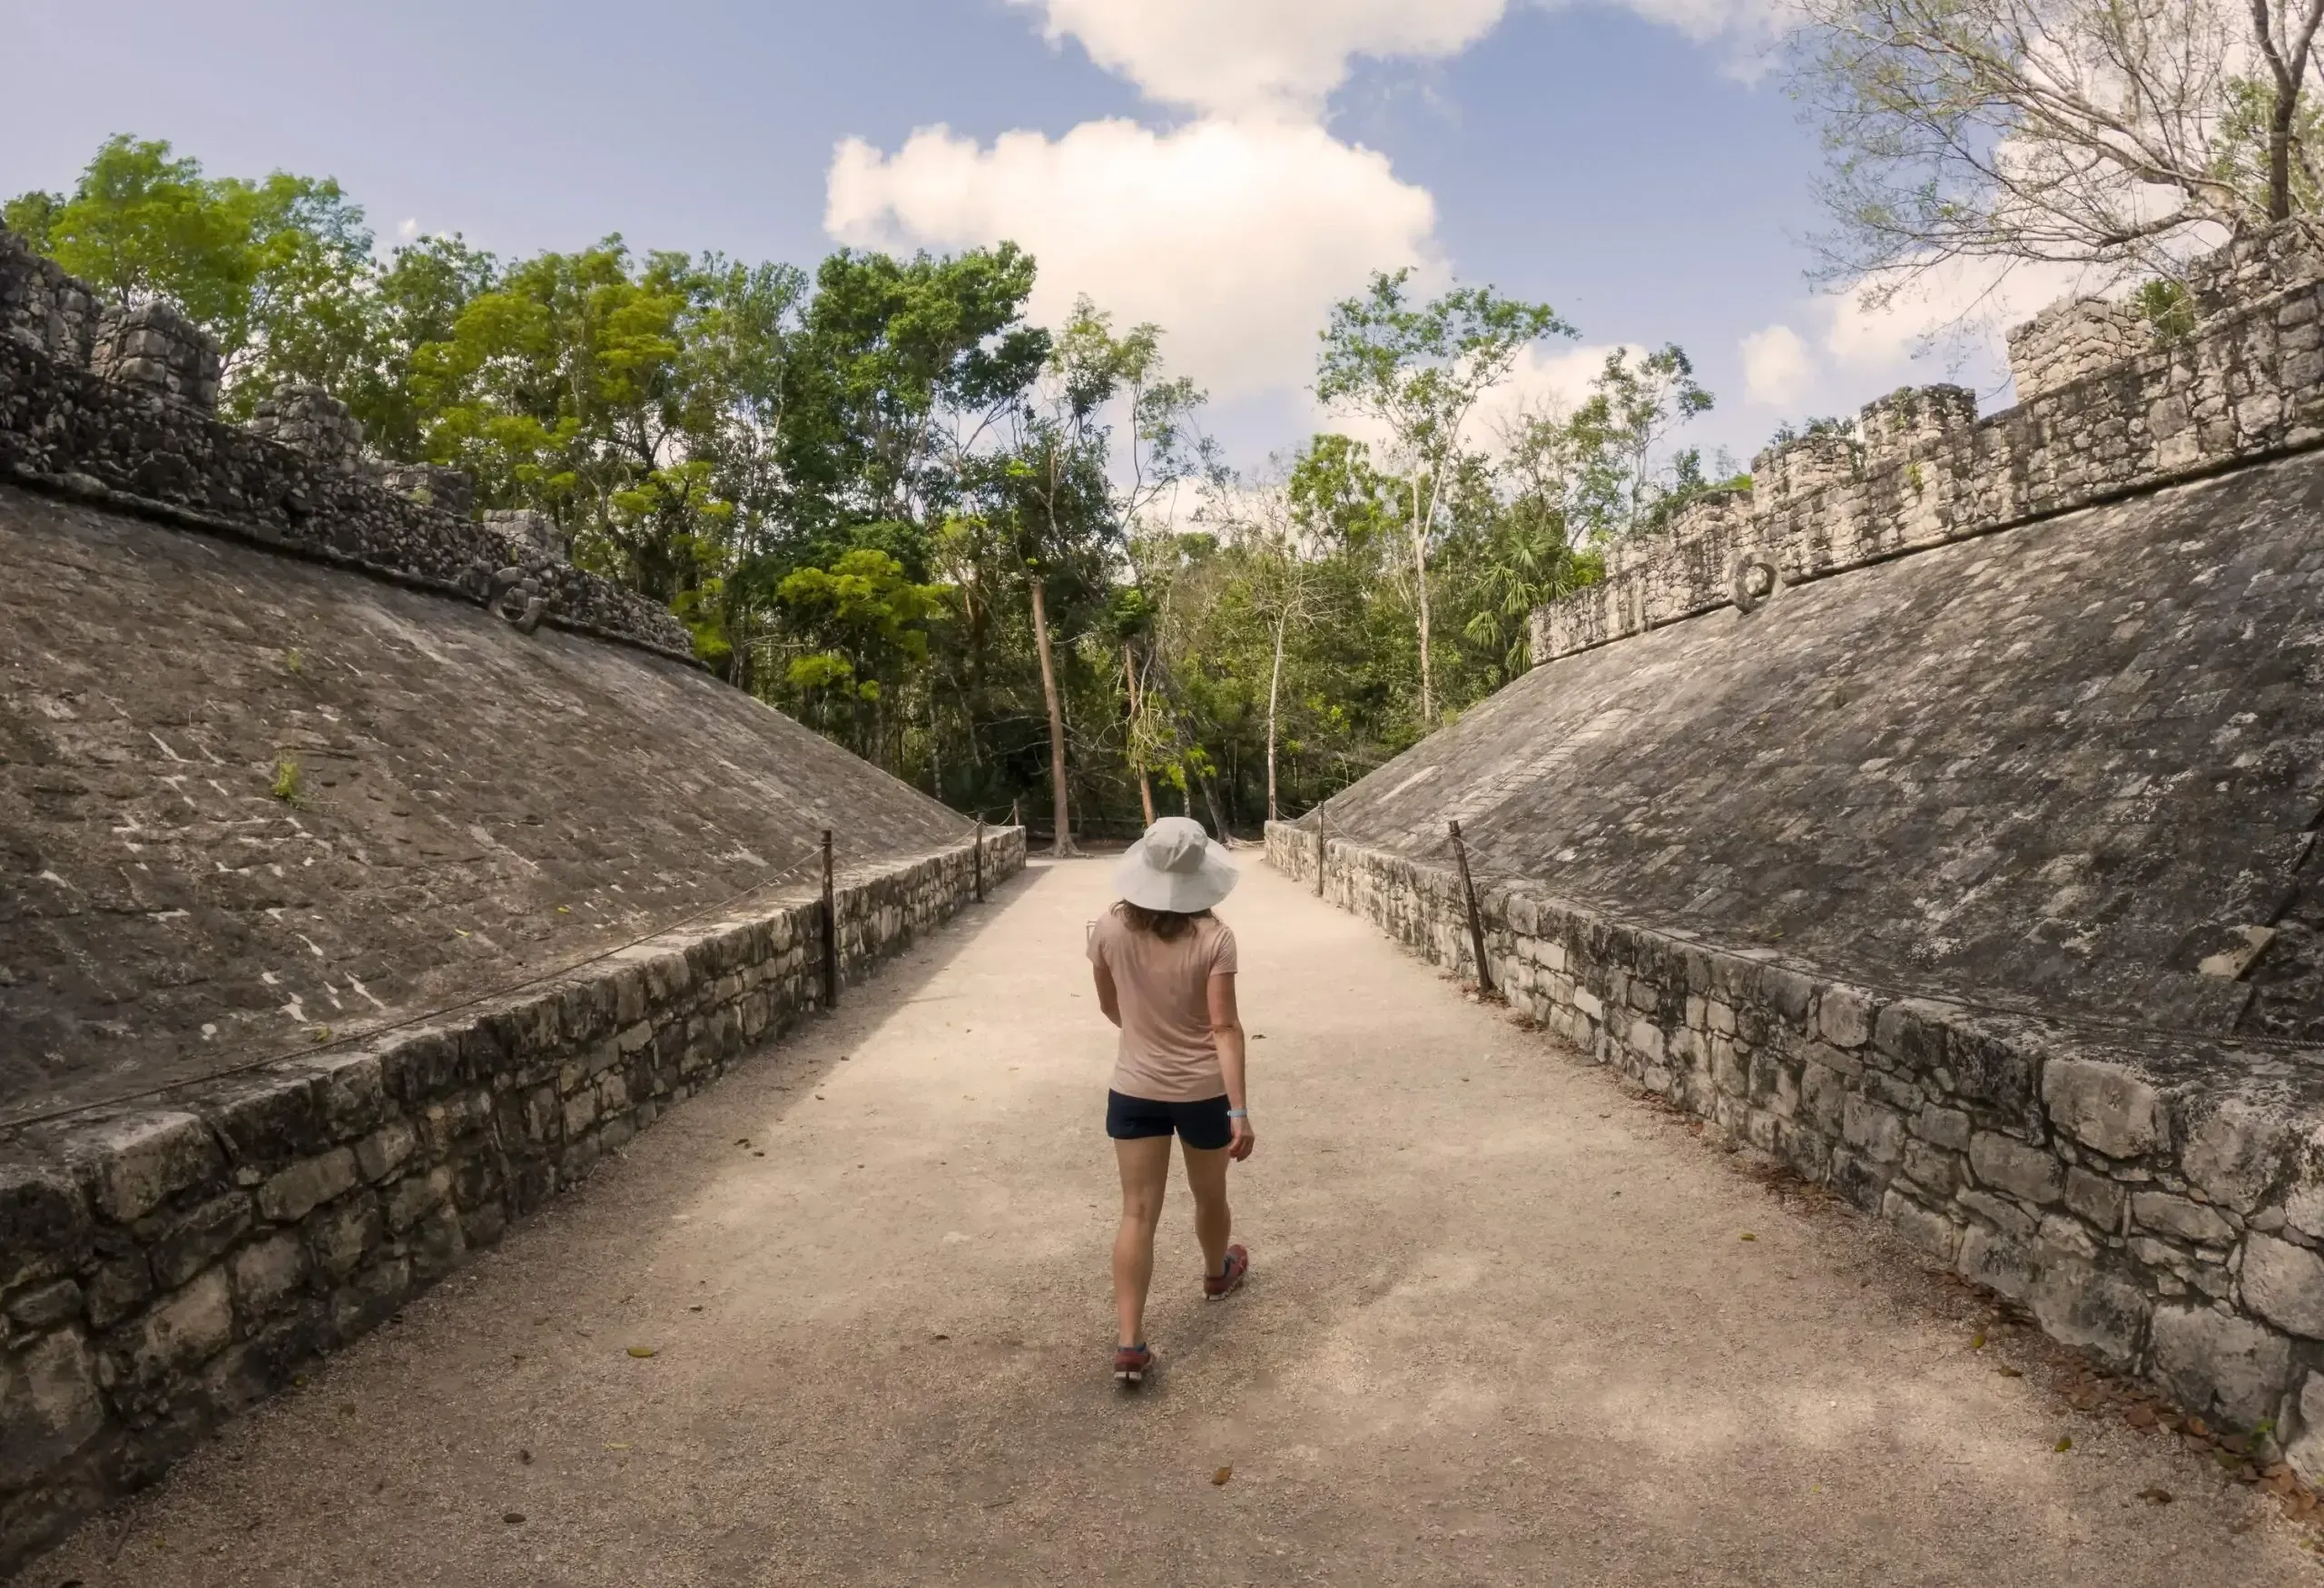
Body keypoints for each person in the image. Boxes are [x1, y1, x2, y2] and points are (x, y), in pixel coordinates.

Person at [1086, 816, 1255, 1387]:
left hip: (1133, 1087)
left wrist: (1144, 1037)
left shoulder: (1107, 928)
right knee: (1210, 1196)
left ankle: (1130, 1342)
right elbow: (1224, 1027)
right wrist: (1239, 1110)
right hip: (1202, 1091)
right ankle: (1215, 1271)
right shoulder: (1215, 938)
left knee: (1137, 1211)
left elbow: (1111, 1007)